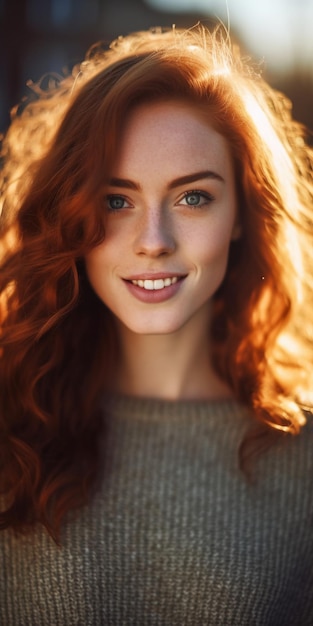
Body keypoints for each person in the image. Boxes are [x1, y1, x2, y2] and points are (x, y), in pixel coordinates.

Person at [0, 23, 313, 625]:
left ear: (242, 216)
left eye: (193, 197)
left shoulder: (301, 460)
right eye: (116, 200)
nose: (153, 242)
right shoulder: (13, 423)